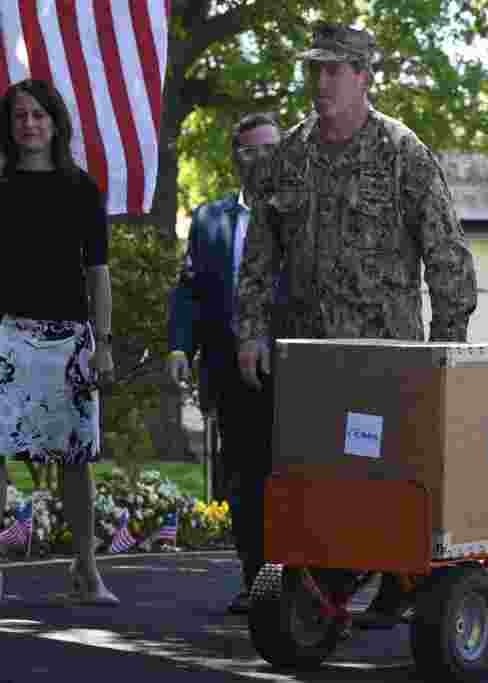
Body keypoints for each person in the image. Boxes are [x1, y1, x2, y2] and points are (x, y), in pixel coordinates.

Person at [234, 22, 477, 629]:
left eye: (334, 70)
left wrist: (448, 349)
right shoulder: (285, 157)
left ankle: (398, 580)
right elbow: (259, 257)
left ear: (365, 77)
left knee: (385, 474)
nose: (321, 82)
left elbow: (446, 253)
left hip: (385, 356)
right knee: (314, 475)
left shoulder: (402, 152)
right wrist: (249, 332)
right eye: (314, 69)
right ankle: (320, 591)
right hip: (308, 356)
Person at [0, 79, 117, 605]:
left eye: (38, 115)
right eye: (20, 116)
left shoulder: (81, 189)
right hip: (4, 337)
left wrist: (104, 343)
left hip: (69, 339)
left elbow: (98, 273)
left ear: (55, 123)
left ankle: (86, 571)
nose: (28, 124)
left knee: (77, 458)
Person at [167, 112, 281, 615]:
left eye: (270, 149)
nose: (261, 159)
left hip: (293, 372)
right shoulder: (210, 219)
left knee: (294, 478)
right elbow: (189, 292)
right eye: (250, 149)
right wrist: (179, 347)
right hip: (229, 373)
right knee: (243, 479)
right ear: (236, 157)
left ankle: (304, 588)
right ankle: (255, 581)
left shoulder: (301, 217)